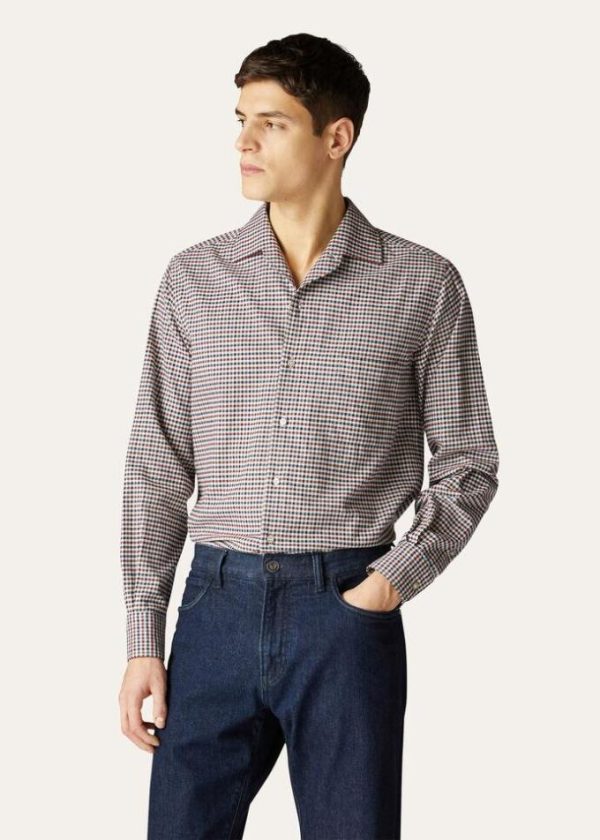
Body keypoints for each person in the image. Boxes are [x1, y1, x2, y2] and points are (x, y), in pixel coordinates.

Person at [118, 32, 500, 840]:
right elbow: (157, 464)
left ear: (336, 137)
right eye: (241, 120)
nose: (244, 142)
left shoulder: (422, 285)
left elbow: (468, 462)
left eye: (273, 123)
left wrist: (385, 586)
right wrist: (143, 637)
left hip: (345, 613)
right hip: (214, 610)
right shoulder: (195, 280)